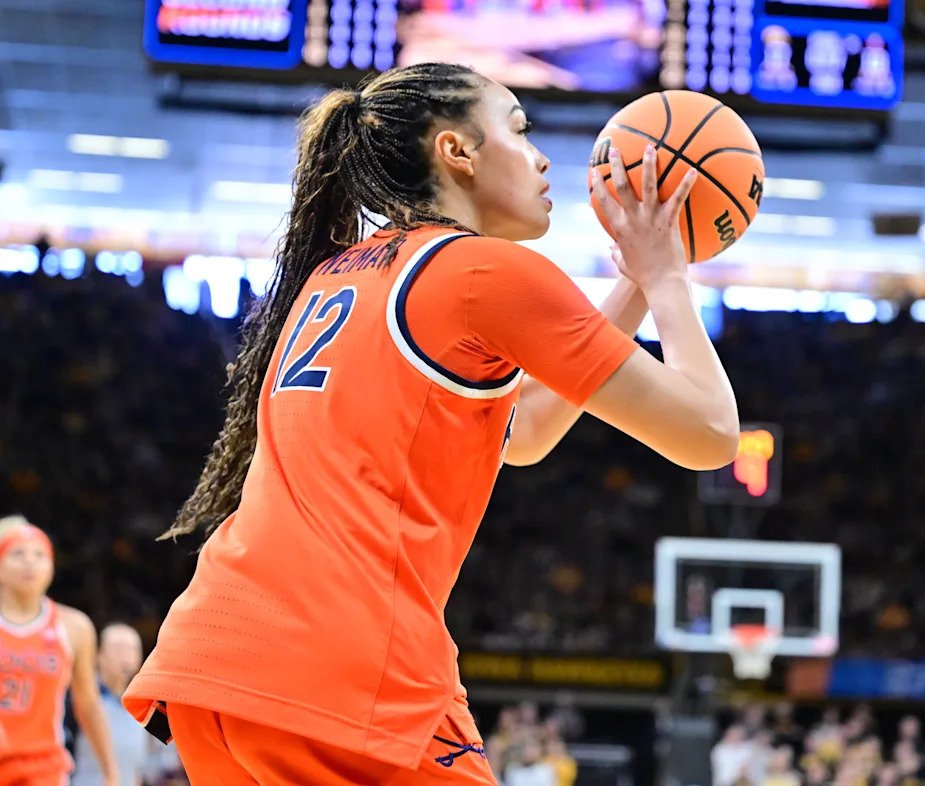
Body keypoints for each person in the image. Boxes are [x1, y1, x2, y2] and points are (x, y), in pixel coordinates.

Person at [122, 62, 738, 784]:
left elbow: (527, 432)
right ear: (456, 152)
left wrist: (632, 282)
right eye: (518, 129)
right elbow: (709, 433)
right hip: (339, 664)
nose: (542, 158)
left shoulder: (339, 273)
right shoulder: (486, 274)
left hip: (217, 659)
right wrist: (668, 279)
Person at [0, 516, 119, 786]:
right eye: (18, 553)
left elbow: (88, 703)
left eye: (40, 554)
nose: (30, 561)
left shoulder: (74, 627)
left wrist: (111, 771)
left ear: (52, 567)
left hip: (44, 767)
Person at [71, 624, 179, 786]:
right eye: (118, 649)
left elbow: (164, 760)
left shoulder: (148, 703)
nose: (125, 656)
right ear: (98, 656)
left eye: (132, 649)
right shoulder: (80, 698)